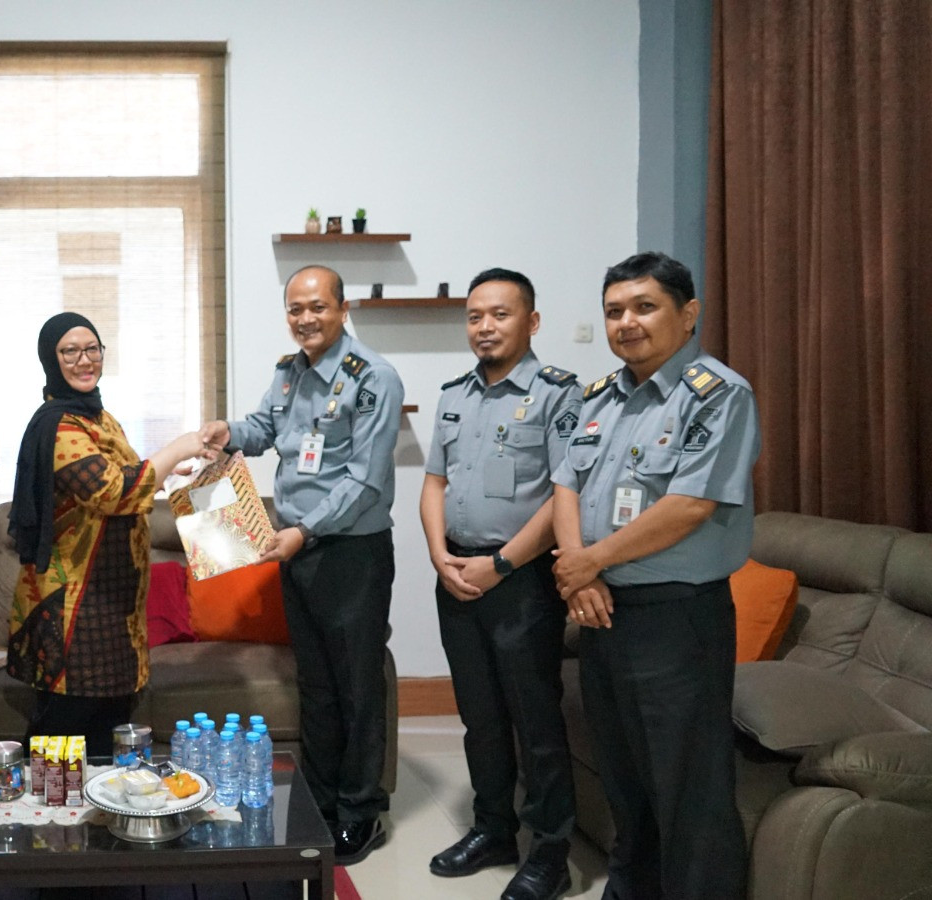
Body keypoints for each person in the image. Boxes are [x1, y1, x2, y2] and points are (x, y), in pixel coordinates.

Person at [551, 251, 759, 900]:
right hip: (602, 612)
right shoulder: (599, 399)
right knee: (626, 782)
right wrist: (578, 574)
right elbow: (565, 486)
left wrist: (592, 561)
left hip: (677, 619)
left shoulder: (718, 395)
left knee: (688, 789)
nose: (627, 322)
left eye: (645, 307)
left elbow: (691, 505)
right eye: (614, 310)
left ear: (688, 314)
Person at [199, 264, 404, 864]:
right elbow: (264, 429)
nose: (306, 318)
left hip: (349, 553)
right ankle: (322, 801)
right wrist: (227, 431)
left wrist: (303, 531)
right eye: (295, 309)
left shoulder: (373, 378)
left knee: (357, 688)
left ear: (343, 309)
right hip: (297, 551)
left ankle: (361, 812)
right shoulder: (290, 373)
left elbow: (366, 480)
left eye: (317, 307)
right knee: (316, 686)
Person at [419, 269, 581, 900]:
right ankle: (493, 830)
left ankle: (551, 853)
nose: (485, 327)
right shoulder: (454, 395)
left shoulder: (559, 394)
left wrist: (503, 564)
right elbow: (434, 482)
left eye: (500, 314)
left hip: (521, 580)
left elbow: (565, 494)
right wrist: (439, 553)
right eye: (475, 316)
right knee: (480, 716)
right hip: (458, 574)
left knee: (534, 719)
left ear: (531, 322)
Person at [7, 313, 212, 756]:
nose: (84, 360)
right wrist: (177, 446)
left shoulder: (98, 417)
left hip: (112, 606)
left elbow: (122, 473)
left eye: (92, 349)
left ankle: (96, 802)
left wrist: (166, 472)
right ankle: (35, 802)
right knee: (62, 731)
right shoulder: (61, 426)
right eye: (70, 351)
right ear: (50, 359)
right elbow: (113, 491)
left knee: (107, 730)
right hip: (74, 609)